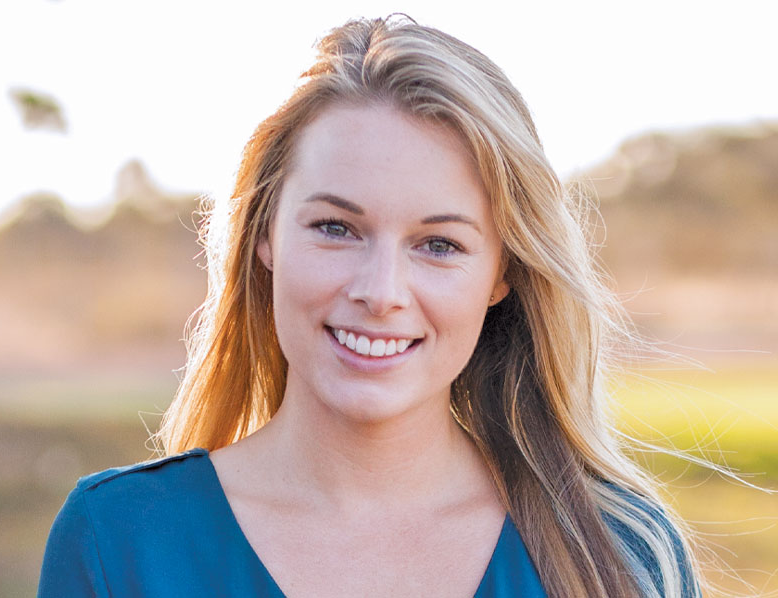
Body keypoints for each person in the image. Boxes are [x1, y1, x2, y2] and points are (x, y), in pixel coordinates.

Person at [38, 15, 701, 598]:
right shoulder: (119, 538)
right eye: (335, 227)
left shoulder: (617, 553)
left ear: (504, 273)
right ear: (265, 234)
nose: (381, 292)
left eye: (439, 243)